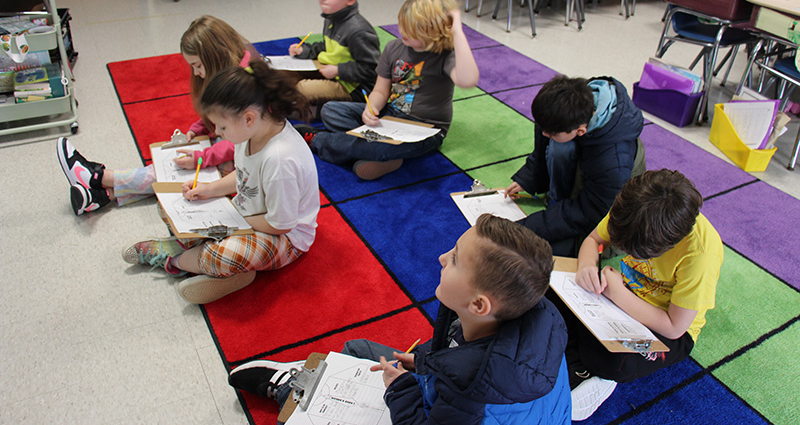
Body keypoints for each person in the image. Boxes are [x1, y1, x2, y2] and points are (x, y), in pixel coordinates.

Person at [227, 214, 572, 424]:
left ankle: (294, 388)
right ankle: (320, 377)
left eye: (453, 260)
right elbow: (456, 352)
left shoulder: (472, 389)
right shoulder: (525, 317)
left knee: (359, 388)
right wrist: (422, 361)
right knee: (360, 349)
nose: (440, 258)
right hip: (467, 402)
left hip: (458, 413)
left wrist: (399, 387)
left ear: (479, 304)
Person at [122, 58, 320, 304]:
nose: (216, 132)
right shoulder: (250, 134)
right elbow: (244, 176)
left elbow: (281, 224)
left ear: (248, 118)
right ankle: (218, 267)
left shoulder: (280, 160)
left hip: (286, 238)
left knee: (223, 254)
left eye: (221, 126)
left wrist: (232, 222)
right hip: (250, 217)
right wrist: (208, 190)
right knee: (173, 203)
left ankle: (173, 259)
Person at [560, 169, 723, 421]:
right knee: (547, 293)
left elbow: (674, 327)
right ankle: (580, 359)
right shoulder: (634, 209)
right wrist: (587, 266)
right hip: (616, 295)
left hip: (664, 326)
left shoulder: (701, 253)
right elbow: (594, 240)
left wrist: (619, 295)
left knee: (617, 362)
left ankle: (591, 370)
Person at [57, 15, 258, 215]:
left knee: (174, 170)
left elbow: (239, 143)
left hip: (245, 162)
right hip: (233, 151)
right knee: (176, 169)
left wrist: (203, 156)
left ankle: (98, 178)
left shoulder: (242, 85)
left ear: (214, 56)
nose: (196, 73)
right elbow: (224, 120)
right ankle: (102, 195)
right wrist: (200, 128)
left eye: (197, 65)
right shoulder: (232, 72)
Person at [296, 0, 480, 180]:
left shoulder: (445, 55)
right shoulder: (394, 47)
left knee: (380, 146)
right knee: (331, 111)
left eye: (412, 30)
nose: (403, 32)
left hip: (426, 130)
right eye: (403, 25)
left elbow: (468, 80)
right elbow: (380, 91)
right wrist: (372, 108)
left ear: (435, 32)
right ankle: (376, 155)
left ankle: (319, 139)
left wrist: (457, 31)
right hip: (390, 116)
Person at [505, 75, 644, 257]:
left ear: (580, 131)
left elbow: (589, 212)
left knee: (542, 250)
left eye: (552, 133)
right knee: (558, 146)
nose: (544, 133)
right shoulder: (571, 107)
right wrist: (531, 177)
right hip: (589, 168)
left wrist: (520, 229)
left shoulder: (612, 161)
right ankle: (557, 201)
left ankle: (559, 207)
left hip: (607, 210)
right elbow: (544, 137)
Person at [286, 0, 381, 110]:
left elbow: (371, 69)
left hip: (353, 88)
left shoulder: (359, 31)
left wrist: (338, 70)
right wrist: (304, 51)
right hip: (331, 71)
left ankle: (320, 109)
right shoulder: (331, 17)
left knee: (303, 89)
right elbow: (326, 46)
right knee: (286, 75)